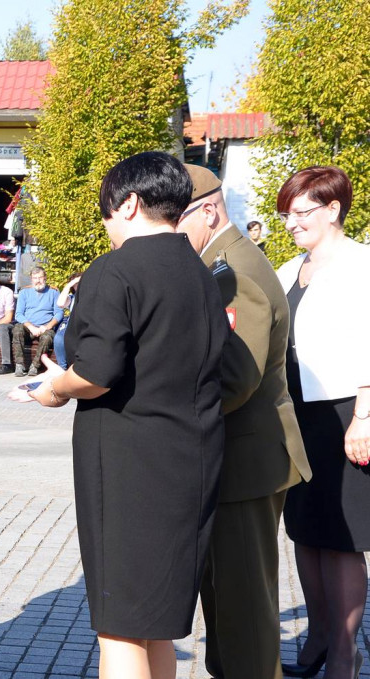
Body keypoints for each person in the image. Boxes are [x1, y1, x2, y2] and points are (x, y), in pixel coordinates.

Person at [16, 151, 228, 679]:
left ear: (129, 204)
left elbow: (97, 371)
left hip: (131, 467)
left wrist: (54, 387)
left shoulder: (117, 269)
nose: (107, 228)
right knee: (154, 621)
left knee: (119, 627)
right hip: (192, 458)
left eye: (107, 214)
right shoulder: (200, 270)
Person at [177, 164, 311, 679]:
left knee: (244, 607)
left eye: (177, 219)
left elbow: (235, 378)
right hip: (238, 458)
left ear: (209, 210)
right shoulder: (218, 262)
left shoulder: (232, 270)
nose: (169, 232)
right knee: (227, 601)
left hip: (247, 462)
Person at [274, 166, 370, 679]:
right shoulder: (289, 268)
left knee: (342, 538)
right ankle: (316, 635)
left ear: (334, 209)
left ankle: (345, 649)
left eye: (302, 211)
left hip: (345, 414)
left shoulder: (362, 264)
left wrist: (365, 416)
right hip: (296, 416)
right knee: (306, 533)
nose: (292, 222)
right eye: (286, 213)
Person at [11, 266, 62, 377]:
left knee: (48, 337)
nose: (38, 280)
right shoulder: (24, 292)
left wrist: (47, 326)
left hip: (45, 327)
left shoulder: (54, 292)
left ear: (45, 278)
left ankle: (35, 366)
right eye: (35, 278)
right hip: (28, 327)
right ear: (31, 279)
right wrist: (31, 327)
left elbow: (59, 313)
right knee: (17, 329)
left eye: (40, 277)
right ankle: (19, 364)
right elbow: (18, 314)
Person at [53, 273, 82, 370]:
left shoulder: (92, 295)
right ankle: (62, 368)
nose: (79, 285)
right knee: (59, 338)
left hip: (84, 324)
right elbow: (60, 303)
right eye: (76, 284)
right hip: (71, 324)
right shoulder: (71, 297)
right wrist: (70, 284)